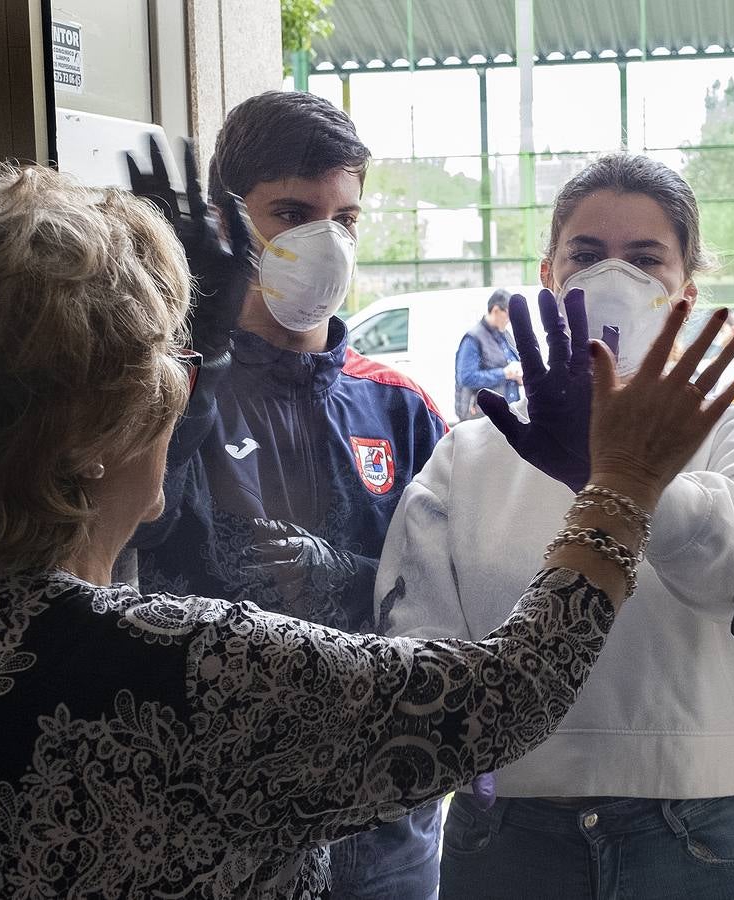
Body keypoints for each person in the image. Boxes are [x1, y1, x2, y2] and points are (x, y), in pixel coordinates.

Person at [0, 163, 734, 898]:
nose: (191, 372)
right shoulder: (194, 676)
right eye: (170, 353)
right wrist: (622, 479)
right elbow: (504, 696)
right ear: (101, 432)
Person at [378, 153, 734, 899]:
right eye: (587, 255)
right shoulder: (472, 450)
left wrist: (629, 482)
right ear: (548, 274)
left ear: (685, 290)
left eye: (644, 259)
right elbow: (417, 656)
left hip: (705, 833)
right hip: (510, 836)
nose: (615, 278)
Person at [127, 91, 448, 897]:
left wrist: (344, 572)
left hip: (381, 828)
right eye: (292, 213)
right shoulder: (163, 391)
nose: (325, 242)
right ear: (225, 219)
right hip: (214, 822)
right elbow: (125, 537)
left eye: (344, 218)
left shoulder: (398, 407)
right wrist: (190, 349)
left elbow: (450, 595)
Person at [454, 288, 523, 421]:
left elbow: (515, 363)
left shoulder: (506, 335)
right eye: (509, 315)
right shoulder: (473, 338)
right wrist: (504, 374)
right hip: (484, 417)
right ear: (496, 310)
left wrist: (519, 374)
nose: (510, 320)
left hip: (508, 412)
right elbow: (466, 377)